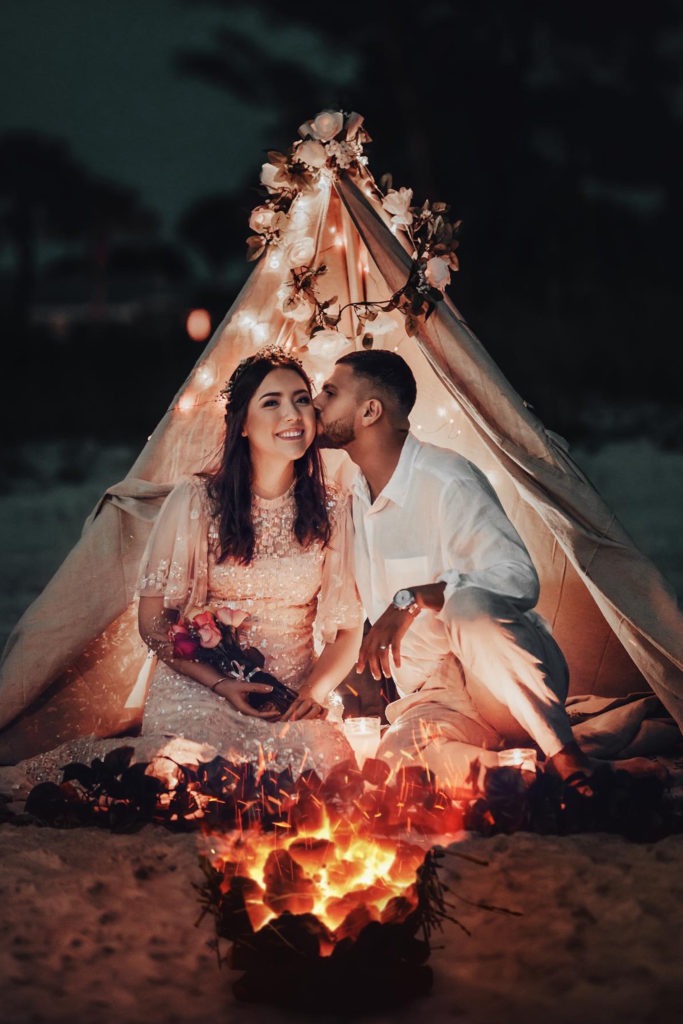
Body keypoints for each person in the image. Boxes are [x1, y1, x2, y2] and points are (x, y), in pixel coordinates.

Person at [1, 346, 364, 792]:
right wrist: (221, 684)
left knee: (326, 774)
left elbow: (349, 630)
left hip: (287, 693)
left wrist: (311, 693)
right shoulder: (197, 500)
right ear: (243, 425)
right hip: (202, 688)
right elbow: (152, 621)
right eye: (272, 402)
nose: (292, 414)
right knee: (201, 771)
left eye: (301, 399)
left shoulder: (333, 509)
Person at [314, 348, 596, 792]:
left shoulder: (447, 479)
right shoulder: (352, 498)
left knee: (465, 604)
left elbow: (517, 578)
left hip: (501, 681)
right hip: (435, 697)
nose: (315, 402)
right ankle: (541, 778)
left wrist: (413, 598)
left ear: (370, 411)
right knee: (395, 771)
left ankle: (566, 757)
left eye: (329, 392)